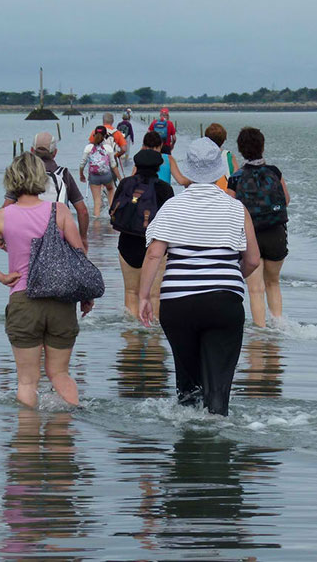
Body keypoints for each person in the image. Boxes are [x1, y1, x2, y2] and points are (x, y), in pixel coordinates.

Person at [139, 137, 261, 416]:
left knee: (188, 382)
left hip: (177, 303)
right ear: (220, 169)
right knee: (218, 388)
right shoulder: (235, 208)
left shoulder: (172, 206)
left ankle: (188, 442)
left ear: (188, 169)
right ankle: (217, 428)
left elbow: (155, 255)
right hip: (224, 301)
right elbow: (253, 260)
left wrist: (144, 296)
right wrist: (229, 279)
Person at [0, 153, 94, 408]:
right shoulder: (60, 211)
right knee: (60, 374)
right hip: (61, 301)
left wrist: (2, 277)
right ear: (40, 179)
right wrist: (85, 296)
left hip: (23, 299)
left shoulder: (3, 216)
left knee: (27, 382)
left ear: (11, 179)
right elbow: (80, 257)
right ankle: (65, 437)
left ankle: (27, 443)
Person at [226, 127, 290, 328]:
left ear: (241, 150)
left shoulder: (235, 177)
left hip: (249, 236)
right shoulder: (274, 172)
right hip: (275, 233)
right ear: (262, 146)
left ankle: (261, 332)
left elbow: (230, 209)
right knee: (273, 283)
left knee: (255, 290)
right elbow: (286, 200)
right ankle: (278, 326)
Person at [1, 132, 89, 252]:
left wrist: (2, 236)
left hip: (28, 237)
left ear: (32, 151)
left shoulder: (22, 175)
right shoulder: (63, 175)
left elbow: (6, 208)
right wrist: (83, 238)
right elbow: (82, 211)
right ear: (55, 153)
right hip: (58, 236)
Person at [113, 149, 175, 319]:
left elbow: (115, 211)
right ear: (158, 166)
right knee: (154, 296)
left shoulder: (126, 184)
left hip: (127, 243)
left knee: (131, 292)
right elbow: (170, 220)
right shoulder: (164, 189)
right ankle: (154, 340)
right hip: (156, 245)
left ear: (136, 165)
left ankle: (132, 339)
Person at [79, 125, 121, 217]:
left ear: (94, 134)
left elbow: (82, 163)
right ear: (105, 135)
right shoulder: (108, 148)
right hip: (107, 176)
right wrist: (120, 178)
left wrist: (81, 175)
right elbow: (113, 166)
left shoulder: (88, 148)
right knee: (110, 190)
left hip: (94, 177)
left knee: (97, 201)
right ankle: (112, 214)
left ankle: (96, 223)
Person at [204, 122, 240, 190]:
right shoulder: (230, 156)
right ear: (223, 140)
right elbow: (236, 178)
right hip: (226, 193)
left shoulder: (201, 156)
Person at [117, 109, 136, 176]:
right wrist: (132, 140)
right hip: (127, 137)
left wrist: (116, 140)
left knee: (122, 148)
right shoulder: (129, 124)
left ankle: (121, 156)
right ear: (127, 118)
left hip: (121, 138)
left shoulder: (119, 124)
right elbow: (131, 132)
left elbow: (117, 132)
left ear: (122, 118)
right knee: (127, 149)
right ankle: (126, 158)